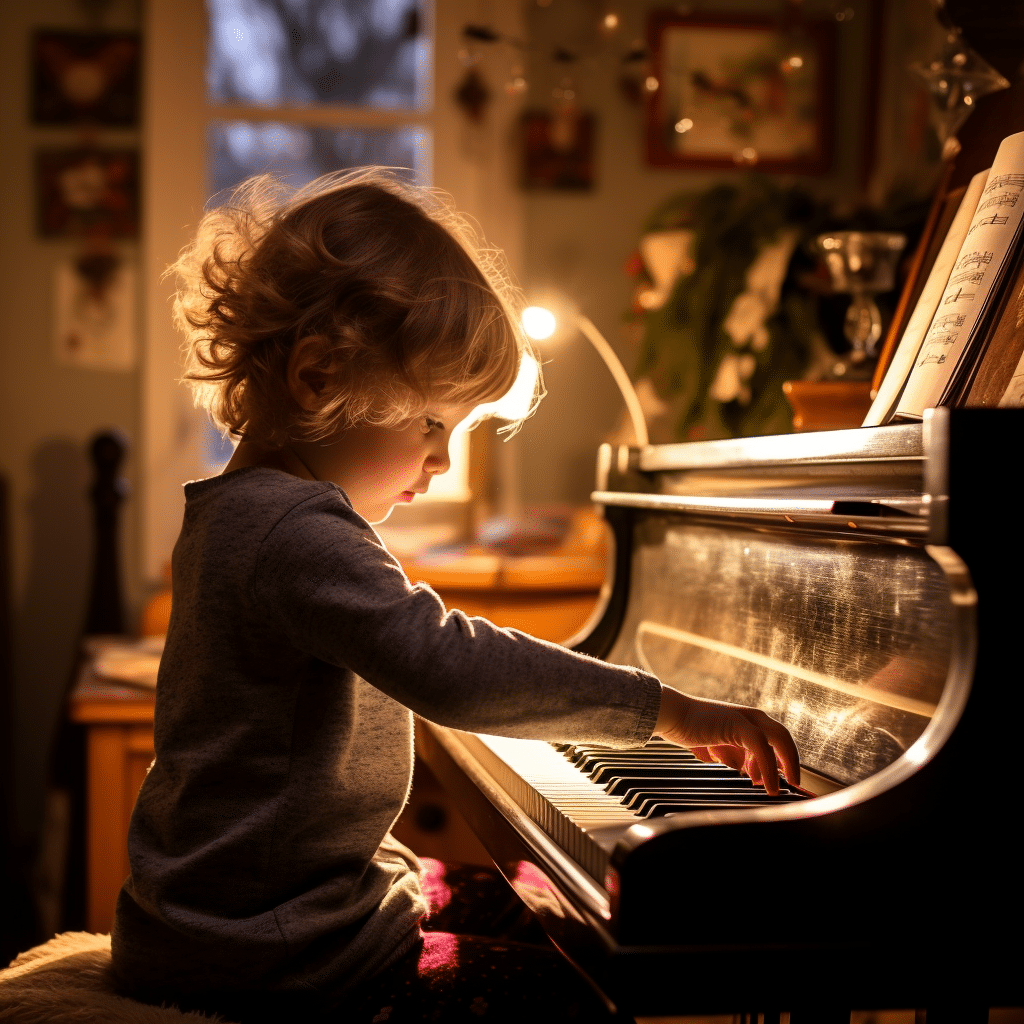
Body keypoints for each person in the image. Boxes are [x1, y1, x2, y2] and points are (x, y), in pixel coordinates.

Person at [111, 169, 800, 1023]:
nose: (442, 461)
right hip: (269, 950)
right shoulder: (292, 531)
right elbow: (449, 668)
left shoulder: (252, 513)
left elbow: (423, 650)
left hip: (243, 919)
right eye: (431, 423)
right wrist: (670, 712)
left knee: (539, 906)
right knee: (572, 989)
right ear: (321, 378)